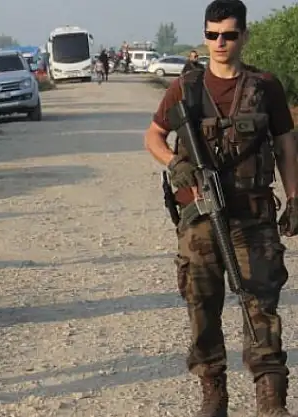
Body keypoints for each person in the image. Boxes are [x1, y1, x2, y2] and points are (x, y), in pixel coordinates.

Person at [144, 1, 298, 415]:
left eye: (229, 35)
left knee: (260, 305)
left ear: (243, 36)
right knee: (202, 305)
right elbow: (154, 135)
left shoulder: (265, 86)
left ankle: (271, 400)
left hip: (252, 214)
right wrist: (174, 163)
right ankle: (213, 393)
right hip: (200, 217)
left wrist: (295, 197)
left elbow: (286, 145)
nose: (220, 43)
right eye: (212, 35)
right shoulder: (186, 88)